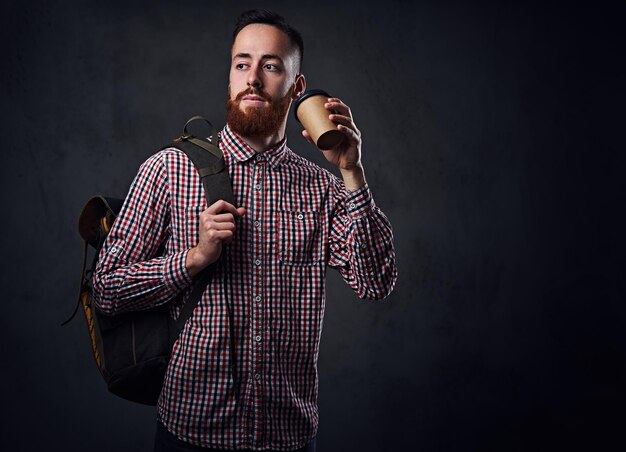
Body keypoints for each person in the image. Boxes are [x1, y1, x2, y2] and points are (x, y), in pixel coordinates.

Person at [93, 9, 397, 452]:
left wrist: (353, 173)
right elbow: (107, 287)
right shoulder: (168, 169)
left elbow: (376, 282)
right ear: (230, 77)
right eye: (242, 64)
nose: (253, 78)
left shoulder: (323, 189)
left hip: (287, 437)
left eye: (270, 65)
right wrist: (193, 259)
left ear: (296, 86)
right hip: (191, 432)